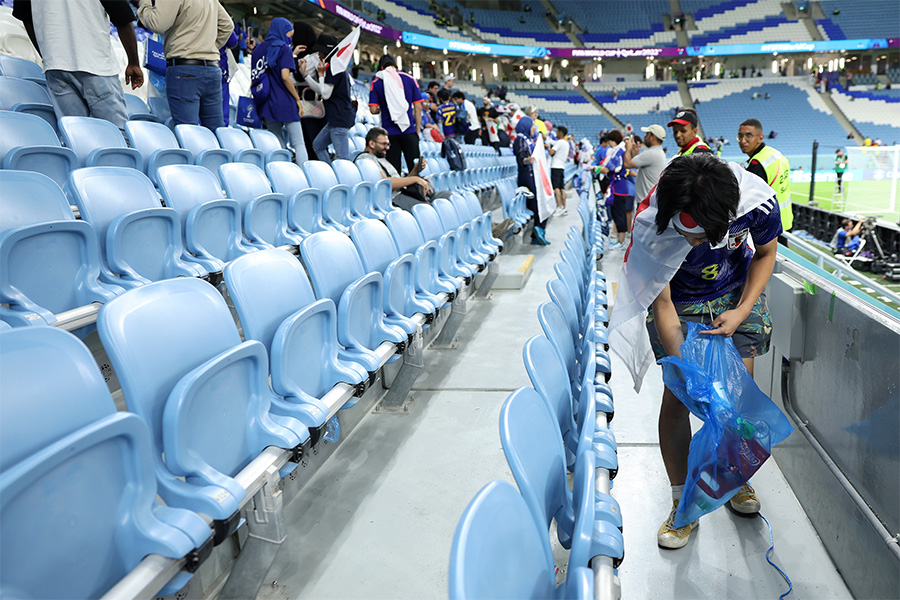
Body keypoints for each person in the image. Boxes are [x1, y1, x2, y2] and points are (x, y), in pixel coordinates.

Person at [609, 153, 781, 550]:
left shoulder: (757, 203)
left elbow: (766, 253)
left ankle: (733, 479)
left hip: (737, 292)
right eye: (685, 235)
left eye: (702, 237)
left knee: (736, 397)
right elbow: (663, 302)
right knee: (680, 395)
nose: (691, 242)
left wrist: (740, 311)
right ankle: (682, 501)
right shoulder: (652, 225)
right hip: (682, 300)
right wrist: (684, 364)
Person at [13, 0, 143, 137]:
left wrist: (47, 55)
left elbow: (26, 17)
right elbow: (123, 19)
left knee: (75, 137)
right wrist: (133, 63)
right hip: (96, 65)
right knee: (117, 136)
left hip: (56, 67)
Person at [137, 0, 234, 130]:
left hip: (185, 68)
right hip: (211, 68)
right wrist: (208, 47)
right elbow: (227, 26)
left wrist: (144, 5)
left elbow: (157, 24)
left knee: (188, 132)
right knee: (216, 132)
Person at [250, 18, 307, 166]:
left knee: (277, 142)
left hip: (266, 102)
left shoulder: (257, 51)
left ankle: (282, 174)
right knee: (298, 143)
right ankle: (304, 176)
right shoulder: (284, 48)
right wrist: (297, 99)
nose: (290, 38)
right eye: (290, 33)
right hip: (285, 101)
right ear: (282, 30)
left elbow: (254, 79)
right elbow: (285, 77)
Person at [355, 127, 451, 212]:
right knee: (427, 211)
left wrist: (415, 171)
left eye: (388, 144)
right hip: (393, 199)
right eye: (384, 144)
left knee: (447, 196)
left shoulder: (381, 159)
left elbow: (400, 182)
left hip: (403, 193)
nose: (387, 148)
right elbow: (385, 183)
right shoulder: (365, 160)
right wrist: (416, 179)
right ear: (371, 143)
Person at [302, 33, 354, 164]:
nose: (318, 54)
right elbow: (322, 88)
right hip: (336, 118)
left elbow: (325, 94)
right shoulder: (337, 65)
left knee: (343, 159)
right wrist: (306, 76)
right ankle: (331, 172)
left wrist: (320, 74)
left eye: (320, 51)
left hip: (339, 118)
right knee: (318, 145)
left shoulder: (334, 67)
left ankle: (344, 181)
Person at [368, 54, 423, 173]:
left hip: (389, 133)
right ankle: (418, 190)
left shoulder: (377, 82)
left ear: (381, 67)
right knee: (415, 168)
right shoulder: (410, 79)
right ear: (395, 65)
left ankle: (397, 191)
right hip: (409, 130)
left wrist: (384, 107)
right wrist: (417, 131)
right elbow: (418, 108)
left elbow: (373, 110)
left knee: (394, 170)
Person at [738, 118, 792, 231]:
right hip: (785, 221)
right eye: (740, 136)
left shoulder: (757, 165)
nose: (743, 141)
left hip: (771, 226)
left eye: (748, 135)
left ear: (760, 137)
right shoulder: (774, 153)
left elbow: (748, 203)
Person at [513, 116, 548, 245]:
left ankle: (538, 232)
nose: (535, 128)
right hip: (526, 178)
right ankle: (537, 233)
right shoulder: (520, 139)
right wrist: (529, 160)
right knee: (538, 204)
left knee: (542, 203)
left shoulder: (527, 139)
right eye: (533, 125)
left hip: (531, 176)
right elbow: (521, 158)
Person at [598, 130, 634, 249]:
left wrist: (594, 169)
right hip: (617, 187)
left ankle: (621, 241)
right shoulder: (616, 151)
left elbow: (608, 169)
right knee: (615, 213)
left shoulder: (619, 152)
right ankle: (619, 240)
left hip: (620, 188)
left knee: (619, 214)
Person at [624, 124, 667, 204]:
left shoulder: (651, 153)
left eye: (647, 134)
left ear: (653, 137)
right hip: (650, 199)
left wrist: (628, 148)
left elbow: (627, 164)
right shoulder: (658, 152)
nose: (645, 137)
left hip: (645, 201)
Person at [549, 125, 570, 216]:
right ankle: (564, 207)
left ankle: (559, 206)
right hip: (562, 166)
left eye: (557, 132)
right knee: (562, 187)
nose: (556, 134)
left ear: (561, 133)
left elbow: (551, 152)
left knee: (556, 187)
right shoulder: (566, 143)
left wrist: (547, 148)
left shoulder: (559, 142)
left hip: (556, 166)